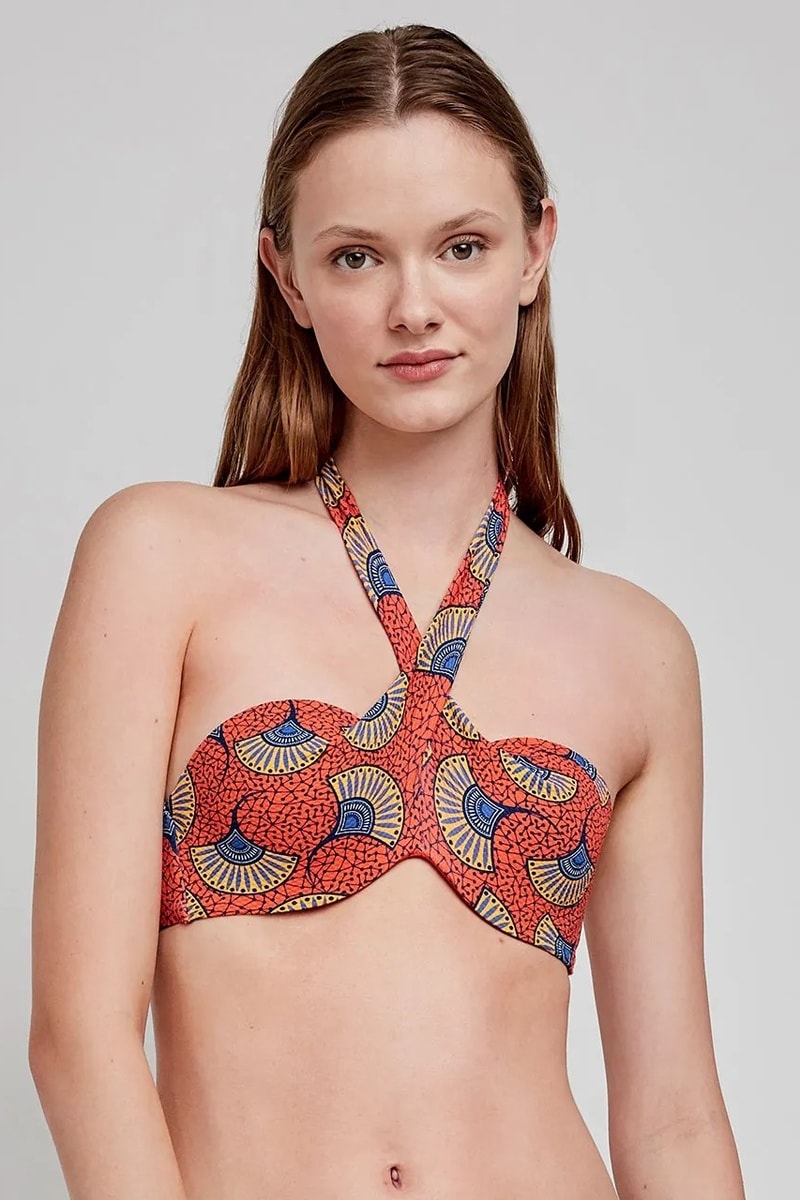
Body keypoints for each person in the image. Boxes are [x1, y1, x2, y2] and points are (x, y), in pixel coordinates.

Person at [28, 22, 746, 1200]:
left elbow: (672, 1117)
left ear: (534, 250)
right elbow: (78, 1040)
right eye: (357, 256)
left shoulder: (638, 649)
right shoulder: (160, 557)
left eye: (461, 247)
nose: (414, 306)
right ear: (287, 279)